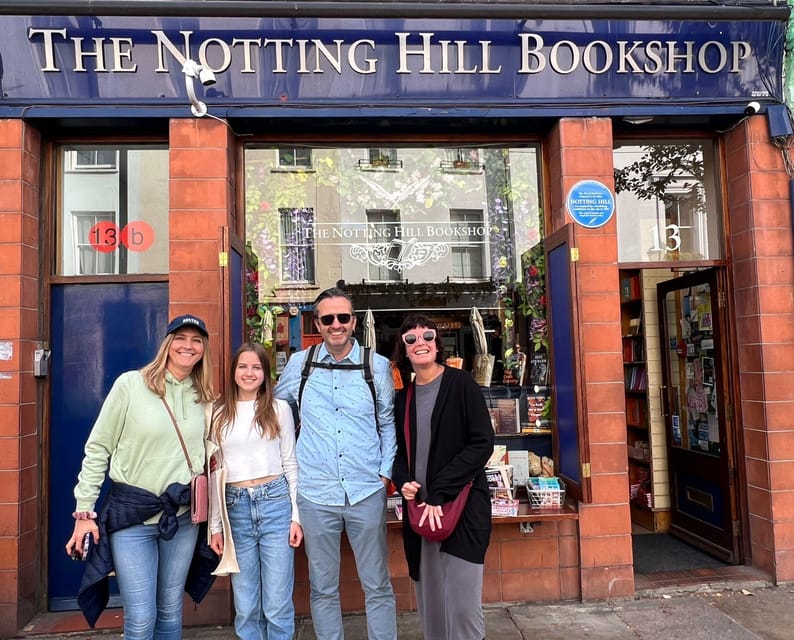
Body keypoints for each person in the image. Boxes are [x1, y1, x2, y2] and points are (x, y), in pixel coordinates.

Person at [65, 314, 217, 638]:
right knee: (140, 618)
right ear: (167, 343)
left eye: (196, 340)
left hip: (182, 519)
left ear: (203, 348)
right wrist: (84, 511)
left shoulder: (204, 395)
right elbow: (98, 448)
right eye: (181, 338)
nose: (187, 346)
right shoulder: (131, 385)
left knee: (170, 612)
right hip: (131, 518)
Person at [274, 287, 398, 640]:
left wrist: (384, 472)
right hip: (315, 494)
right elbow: (273, 412)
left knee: (377, 584)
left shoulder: (376, 365)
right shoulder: (301, 364)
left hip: (365, 491)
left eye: (343, 317)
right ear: (318, 323)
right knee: (323, 587)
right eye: (328, 319)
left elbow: (387, 423)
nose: (336, 325)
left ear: (354, 322)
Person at [391, 314, 494, 640]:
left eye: (427, 336)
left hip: (461, 511)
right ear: (404, 350)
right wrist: (403, 478)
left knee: (463, 610)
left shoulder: (461, 384)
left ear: (438, 344)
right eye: (411, 339)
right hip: (421, 513)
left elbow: (482, 443)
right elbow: (398, 453)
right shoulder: (402, 398)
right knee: (431, 605)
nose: (419, 343)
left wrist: (439, 492)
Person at [208, 342, 302, 640]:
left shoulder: (279, 409)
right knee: (246, 604)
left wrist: (296, 517)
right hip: (235, 507)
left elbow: (291, 462)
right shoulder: (217, 412)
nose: (249, 373)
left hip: (275, 503)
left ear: (266, 373)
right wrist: (215, 526)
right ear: (233, 370)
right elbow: (213, 471)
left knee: (277, 603)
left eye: (256, 367)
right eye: (243, 366)